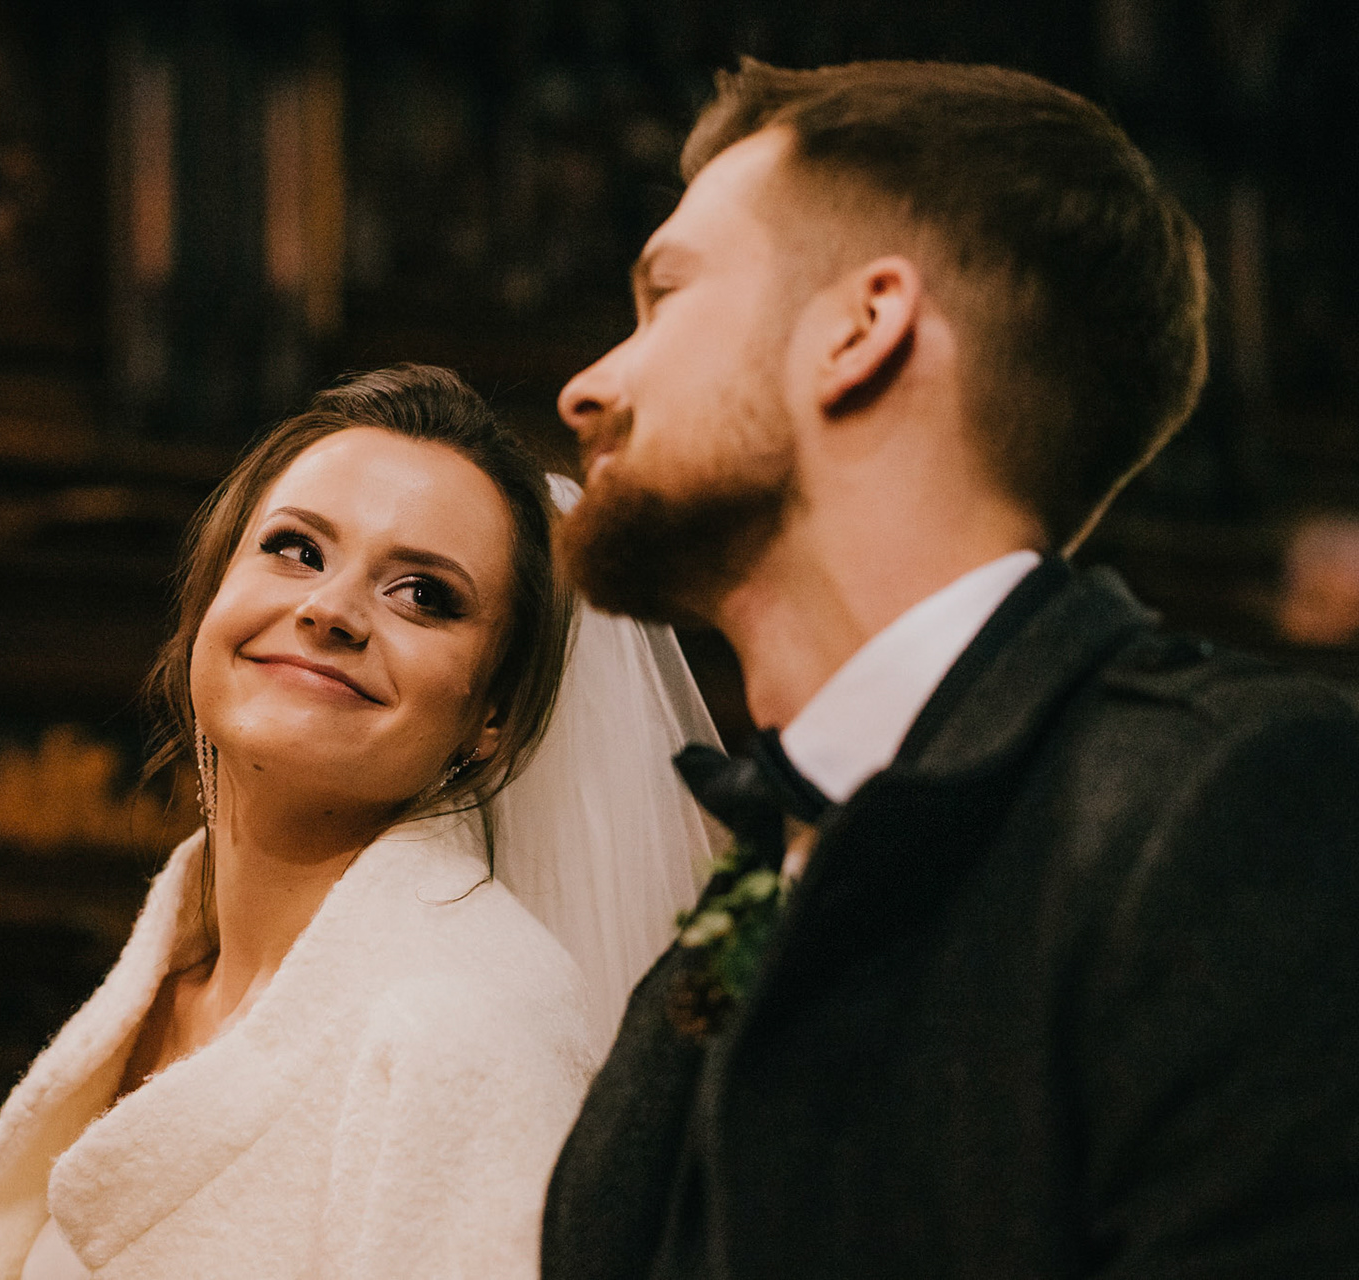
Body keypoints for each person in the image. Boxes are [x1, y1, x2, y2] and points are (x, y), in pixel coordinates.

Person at [542, 59, 1359, 1277]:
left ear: (862, 328)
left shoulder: (1227, 805)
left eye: (666, 296)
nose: (585, 387)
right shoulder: (755, 875)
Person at [0, 364, 721, 1279]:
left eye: (423, 594)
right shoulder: (170, 976)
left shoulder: (464, 1031)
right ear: (210, 597)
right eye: (296, 549)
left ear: (491, 715)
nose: (330, 610)